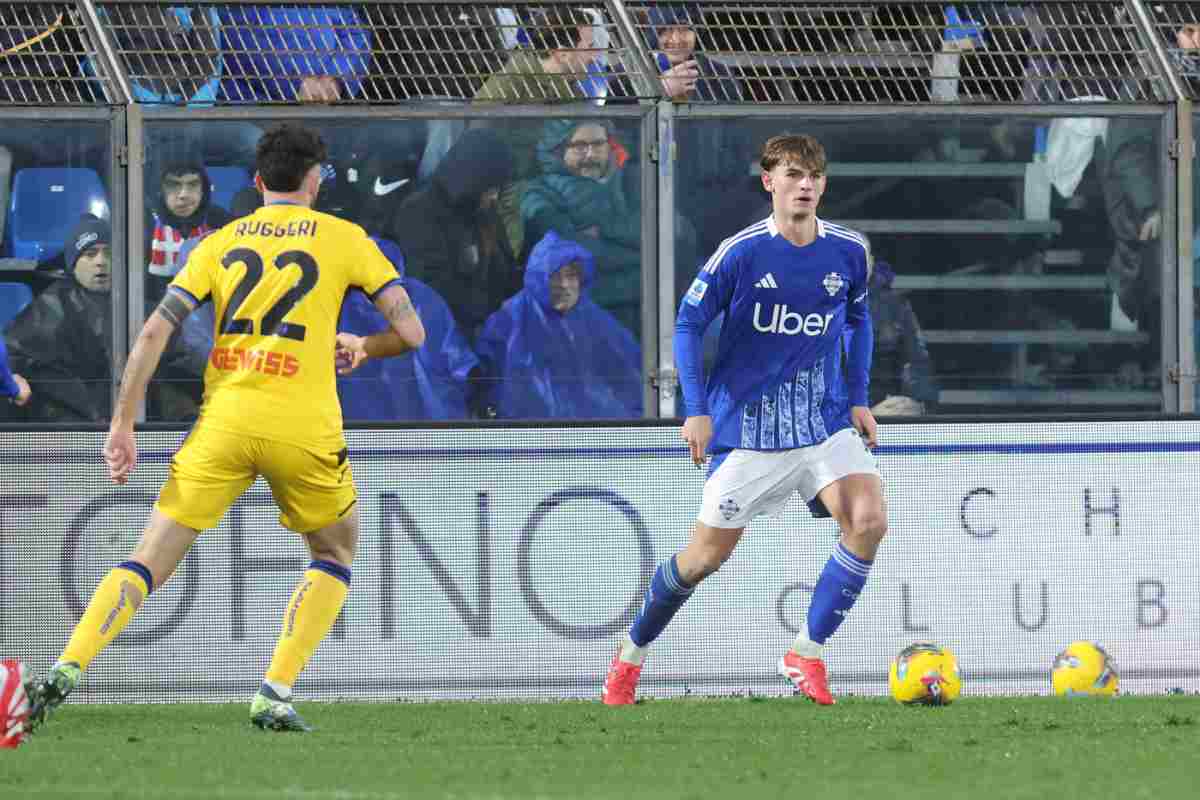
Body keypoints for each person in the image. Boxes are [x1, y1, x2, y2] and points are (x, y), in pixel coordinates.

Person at [23, 123, 426, 734]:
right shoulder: (347, 238)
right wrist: (363, 345)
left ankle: (65, 669)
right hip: (304, 428)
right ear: (315, 180)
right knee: (335, 550)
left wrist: (123, 423)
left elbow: (154, 332)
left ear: (258, 182)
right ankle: (274, 692)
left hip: (225, 423)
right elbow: (413, 333)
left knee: (148, 559)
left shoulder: (217, 244)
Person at [602, 134, 885, 707]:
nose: (805, 185)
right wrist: (697, 410)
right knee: (702, 560)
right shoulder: (741, 252)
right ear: (769, 182)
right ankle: (629, 658)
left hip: (824, 421)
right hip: (751, 430)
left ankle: (806, 652)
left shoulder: (850, 251)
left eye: (814, 176)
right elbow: (687, 324)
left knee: (868, 519)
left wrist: (857, 396)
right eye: (793, 175)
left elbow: (858, 319)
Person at [475, 230, 642, 419]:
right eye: (554, 275)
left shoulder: (597, 321)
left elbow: (631, 380)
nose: (563, 285)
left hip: (595, 435)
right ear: (537, 278)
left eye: (571, 276)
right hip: (528, 438)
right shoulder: (508, 321)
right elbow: (489, 390)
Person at [386, 128, 518, 338]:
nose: (494, 197)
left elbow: (507, 269)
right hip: (443, 337)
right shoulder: (420, 212)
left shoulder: (483, 211)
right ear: (472, 181)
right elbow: (431, 289)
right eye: (490, 189)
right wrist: (489, 315)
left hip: (490, 329)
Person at [337, 239, 480, 421]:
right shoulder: (422, 300)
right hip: (417, 432)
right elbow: (460, 366)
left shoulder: (424, 301)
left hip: (368, 433)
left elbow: (460, 366)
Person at [521, 119, 641, 334]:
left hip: (643, 316)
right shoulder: (539, 193)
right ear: (558, 150)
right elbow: (570, 255)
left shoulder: (634, 183)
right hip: (575, 322)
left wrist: (604, 230)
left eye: (598, 144)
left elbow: (667, 235)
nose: (590, 155)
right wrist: (640, 257)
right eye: (580, 146)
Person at [146, 159, 234, 298]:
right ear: (160, 190)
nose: (183, 195)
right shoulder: (142, 225)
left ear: (203, 189)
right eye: (173, 185)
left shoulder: (221, 222)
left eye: (192, 184)